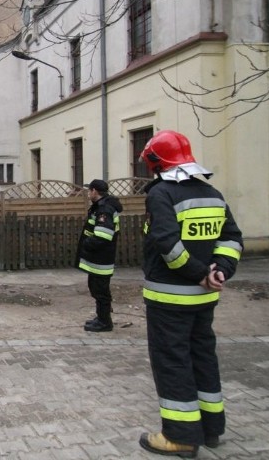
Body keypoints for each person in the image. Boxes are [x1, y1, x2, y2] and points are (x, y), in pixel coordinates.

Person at [137, 130, 243, 458]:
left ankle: (181, 436)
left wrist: (200, 274)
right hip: (205, 300)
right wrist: (219, 271)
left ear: (156, 163)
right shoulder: (212, 193)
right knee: (203, 358)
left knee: (173, 363)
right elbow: (233, 238)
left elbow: (168, 245)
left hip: (170, 300)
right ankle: (211, 428)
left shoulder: (162, 194)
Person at [74, 178, 123, 332]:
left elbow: (103, 236)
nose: (88, 193)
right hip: (98, 259)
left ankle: (105, 322)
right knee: (96, 288)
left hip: (101, 259)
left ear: (95, 191)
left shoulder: (104, 209)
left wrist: (86, 244)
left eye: (89, 190)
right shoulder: (101, 207)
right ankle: (101, 318)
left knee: (100, 291)